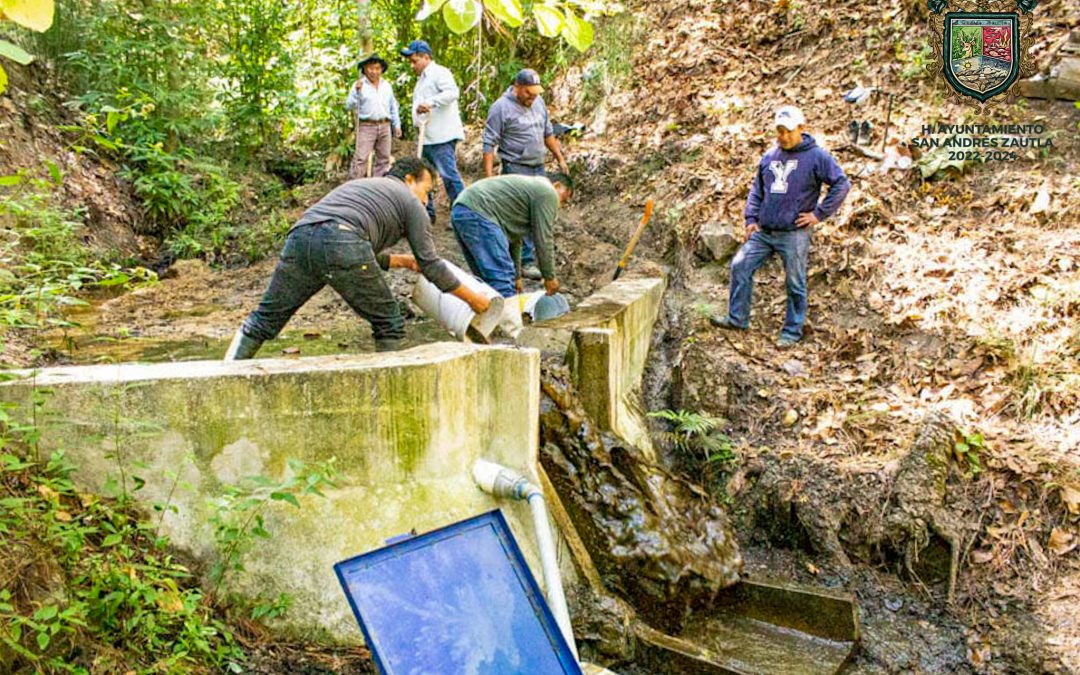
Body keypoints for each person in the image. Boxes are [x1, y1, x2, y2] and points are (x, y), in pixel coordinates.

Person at [224, 157, 491, 360]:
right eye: (427, 190)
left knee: (265, 319)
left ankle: (224, 373)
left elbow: (350, 250)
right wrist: (474, 300)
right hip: (341, 239)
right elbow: (432, 265)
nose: (426, 200)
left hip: (301, 237)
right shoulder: (410, 203)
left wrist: (403, 261)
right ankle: (389, 396)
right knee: (389, 322)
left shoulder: (366, 187)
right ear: (410, 180)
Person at [709, 105, 850, 347]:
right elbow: (757, 190)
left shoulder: (817, 157)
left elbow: (841, 184)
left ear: (801, 129)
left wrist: (818, 214)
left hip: (794, 232)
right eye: (779, 131)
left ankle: (791, 331)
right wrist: (751, 219)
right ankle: (737, 318)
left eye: (788, 131)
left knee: (795, 281)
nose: (783, 136)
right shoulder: (770, 157)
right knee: (740, 265)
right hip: (765, 231)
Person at [482, 68, 570, 280]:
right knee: (521, 216)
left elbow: (548, 133)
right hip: (515, 167)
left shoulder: (538, 103)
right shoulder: (500, 108)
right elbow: (489, 143)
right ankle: (525, 262)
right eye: (528, 93)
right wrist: (489, 176)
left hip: (537, 166)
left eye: (536, 93)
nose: (532, 97)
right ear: (517, 87)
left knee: (539, 212)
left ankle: (534, 257)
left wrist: (559, 156)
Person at [450, 173, 572, 299]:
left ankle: (496, 316)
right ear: (556, 185)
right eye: (563, 200)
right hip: (479, 211)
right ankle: (510, 318)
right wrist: (549, 277)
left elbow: (515, 240)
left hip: (461, 210)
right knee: (502, 279)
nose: (559, 206)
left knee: (487, 283)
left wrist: (517, 277)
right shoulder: (547, 192)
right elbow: (544, 239)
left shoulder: (528, 193)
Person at [400, 39, 465, 224]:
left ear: (425, 57)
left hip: (441, 137)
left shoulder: (439, 73)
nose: (412, 66)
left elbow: (452, 93)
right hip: (426, 137)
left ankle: (464, 213)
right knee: (423, 176)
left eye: (414, 61)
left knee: (449, 176)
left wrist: (430, 103)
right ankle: (426, 214)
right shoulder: (421, 80)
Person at [345, 53, 402, 179]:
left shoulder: (387, 86)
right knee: (361, 158)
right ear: (365, 69)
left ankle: (377, 188)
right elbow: (349, 105)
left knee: (384, 159)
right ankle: (354, 188)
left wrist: (396, 125)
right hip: (366, 125)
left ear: (381, 70)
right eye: (370, 68)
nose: (374, 72)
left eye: (377, 68)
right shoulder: (359, 85)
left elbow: (393, 106)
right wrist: (356, 92)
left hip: (385, 125)